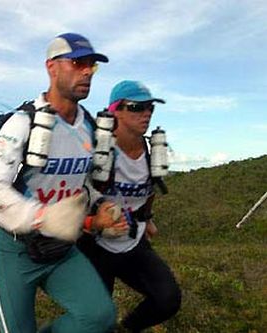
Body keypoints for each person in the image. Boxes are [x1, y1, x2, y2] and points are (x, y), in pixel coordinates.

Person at [0, 33, 121, 333]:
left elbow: (88, 183)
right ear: (51, 67)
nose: (86, 72)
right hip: (15, 249)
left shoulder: (91, 127)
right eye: (78, 62)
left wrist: (101, 207)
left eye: (92, 66)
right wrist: (42, 217)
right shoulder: (24, 122)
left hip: (61, 247)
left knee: (99, 317)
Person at [77, 80, 181, 333]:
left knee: (168, 299)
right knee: (99, 319)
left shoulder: (151, 151)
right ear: (116, 111)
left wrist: (147, 217)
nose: (146, 113)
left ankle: (128, 328)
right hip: (95, 243)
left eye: (150, 108)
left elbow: (151, 186)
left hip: (132, 240)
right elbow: (69, 195)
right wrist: (91, 222)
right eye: (137, 107)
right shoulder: (96, 151)